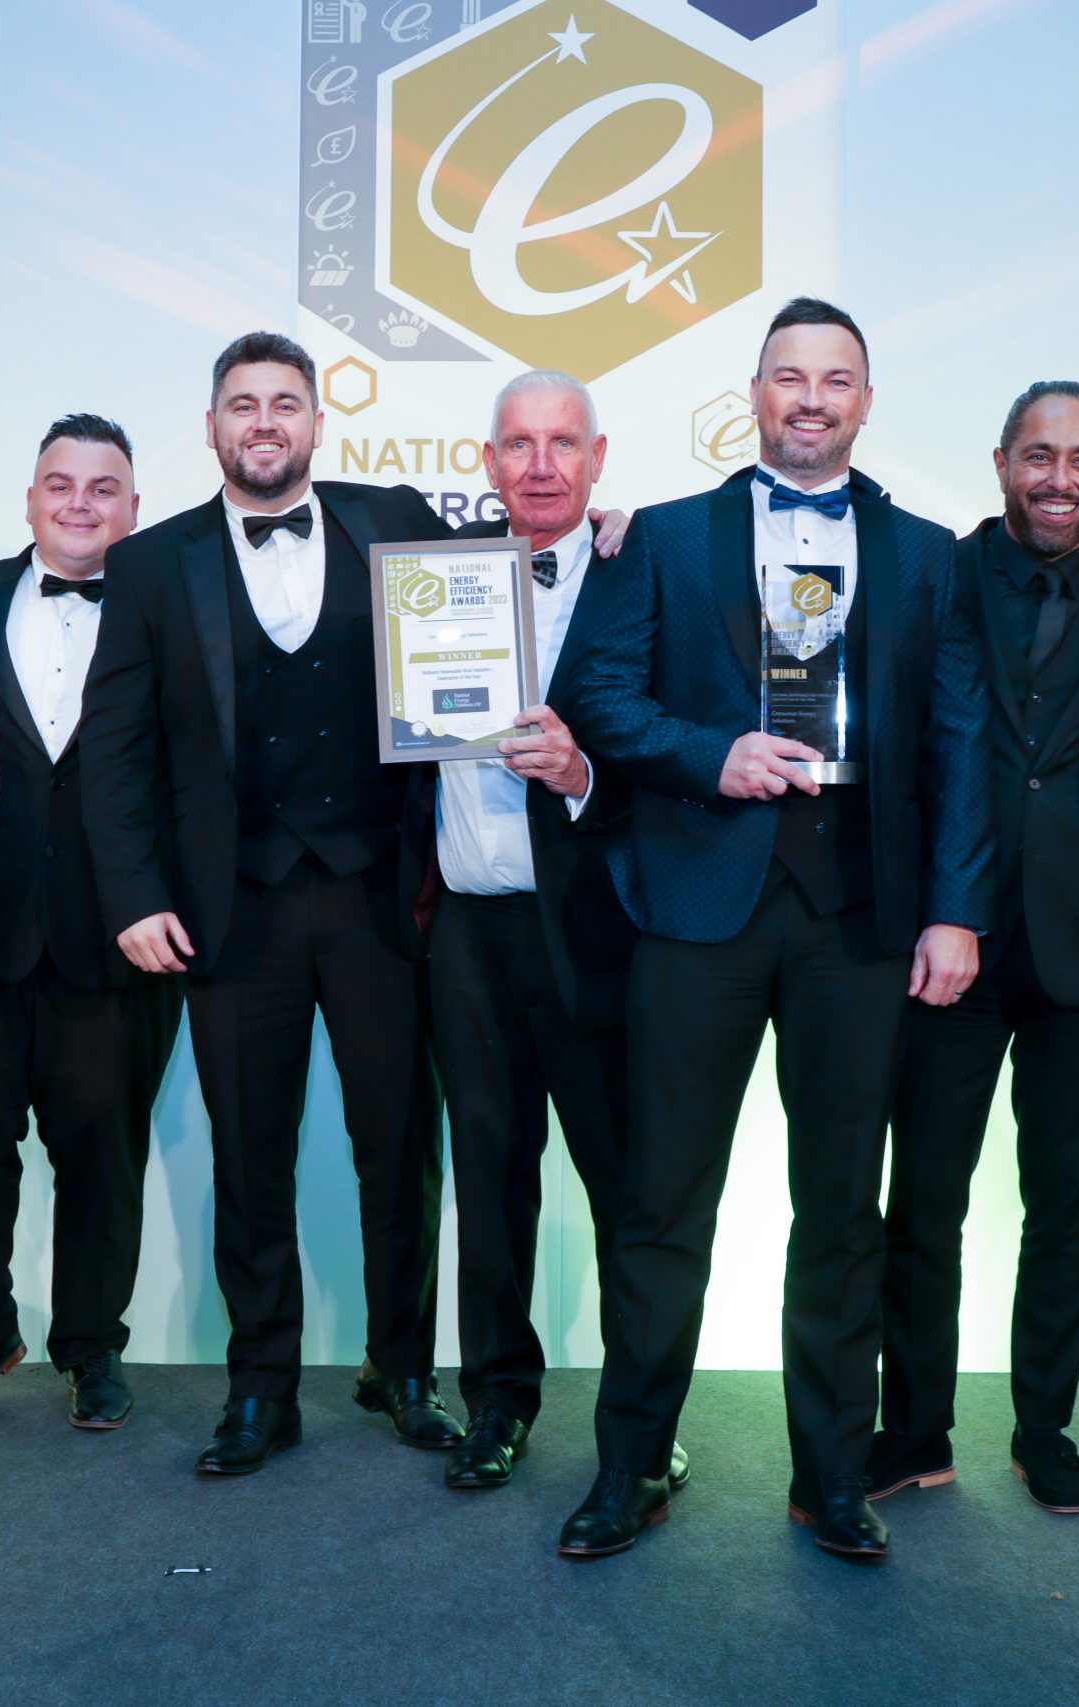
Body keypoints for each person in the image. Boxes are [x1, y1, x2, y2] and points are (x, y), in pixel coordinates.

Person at [549, 296, 994, 1561]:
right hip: (697, 906)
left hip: (861, 916)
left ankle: (832, 1478)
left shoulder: (928, 555)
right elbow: (595, 692)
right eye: (788, 377)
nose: (810, 398)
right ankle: (629, 1466)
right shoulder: (664, 537)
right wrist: (709, 755)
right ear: (750, 393)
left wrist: (955, 911)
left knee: (842, 1209)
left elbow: (960, 741)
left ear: (865, 401)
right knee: (660, 1202)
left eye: (835, 379)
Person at [84, 332, 459, 1474]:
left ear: (314, 423)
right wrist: (135, 897)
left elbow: (498, 602)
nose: (263, 423)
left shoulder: (393, 516)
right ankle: (261, 1388)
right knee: (250, 1157)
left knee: (397, 1147)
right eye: (241, 405)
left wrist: (608, 530)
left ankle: (400, 1368)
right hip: (228, 907)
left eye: (284, 404)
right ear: (210, 428)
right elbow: (116, 749)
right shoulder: (151, 564)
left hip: (379, 900)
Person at [874, 381, 1079, 1517]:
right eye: (1039, 456)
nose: (1058, 479)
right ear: (999, 462)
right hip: (956, 939)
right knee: (925, 1196)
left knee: (1065, 1202)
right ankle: (916, 1429)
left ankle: (1043, 1426)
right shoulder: (930, 572)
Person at [0, 415, 182, 1431]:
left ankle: (92, 1350)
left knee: (103, 1159)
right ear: (29, 499)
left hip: (120, 942)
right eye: (59, 485)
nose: (79, 503)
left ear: (132, 508)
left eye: (102, 487)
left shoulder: (171, 607)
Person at [423, 369, 657, 1492]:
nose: (541, 464)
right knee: (491, 1175)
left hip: (595, 929)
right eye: (518, 444)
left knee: (623, 1185)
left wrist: (584, 778)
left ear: (598, 459)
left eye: (563, 443)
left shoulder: (637, 570)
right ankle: (496, 1405)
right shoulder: (429, 582)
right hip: (463, 932)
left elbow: (670, 749)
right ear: (486, 464)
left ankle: (641, 1420)